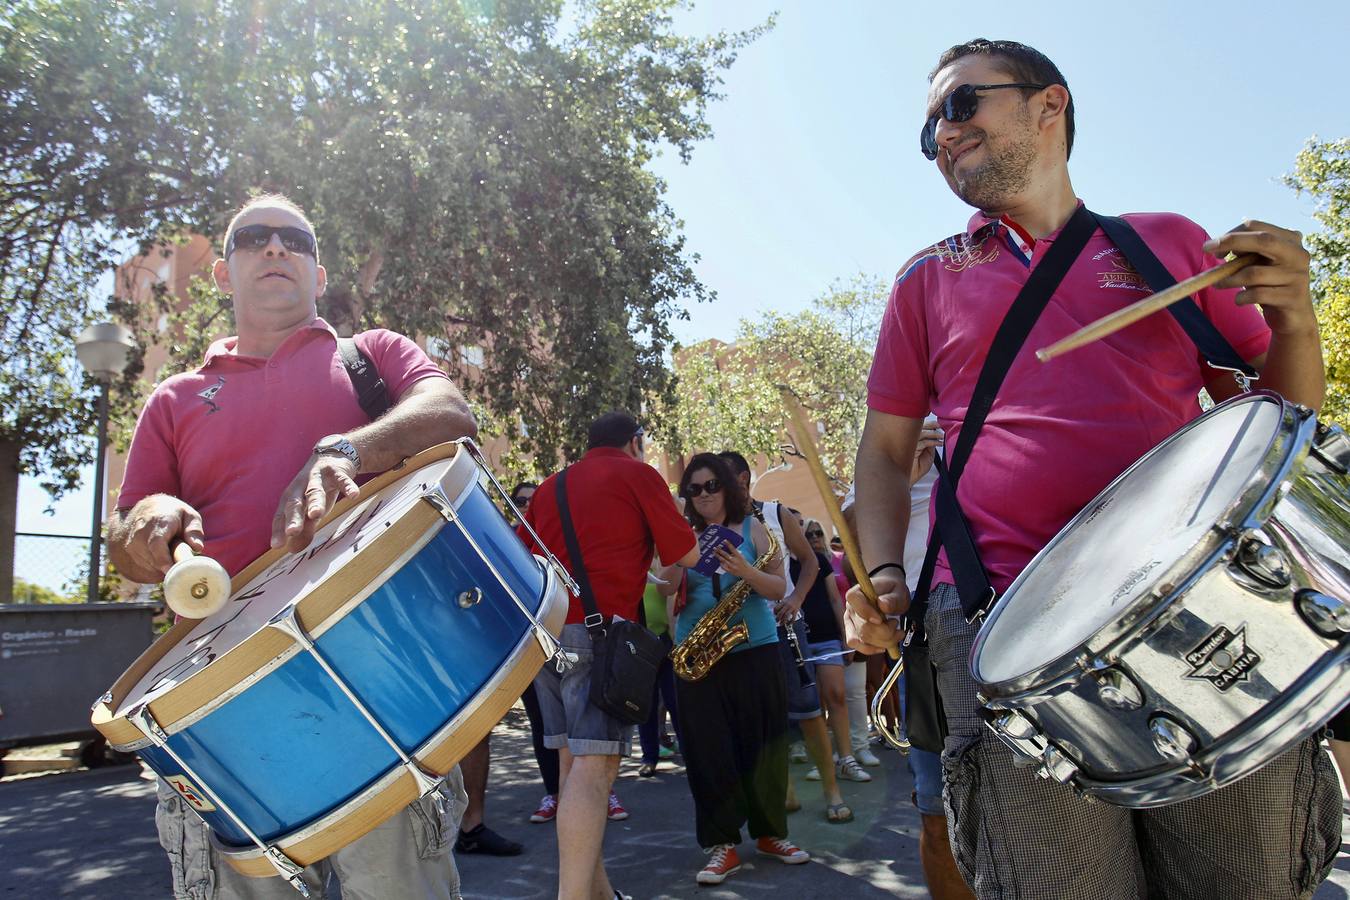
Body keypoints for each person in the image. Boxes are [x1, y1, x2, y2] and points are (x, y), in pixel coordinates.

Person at [845, 39, 1341, 899]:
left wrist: (1296, 322)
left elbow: (1278, 424)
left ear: (1050, 104)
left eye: (960, 106)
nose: (943, 135)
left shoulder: (1169, 247)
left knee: (1245, 884)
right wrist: (884, 571)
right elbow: (886, 455)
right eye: (929, 129)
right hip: (997, 621)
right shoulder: (927, 280)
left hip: (1193, 611)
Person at [108, 194, 473, 900]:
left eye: (294, 240)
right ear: (222, 273)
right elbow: (125, 541)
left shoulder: (374, 356)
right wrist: (150, 521)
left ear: (319, 272)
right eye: (254, 238)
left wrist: (345, 448)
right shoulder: (174, 398)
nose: (276, 249)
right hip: (215, 711)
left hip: (377, 689)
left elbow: (450, 414)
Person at [521, 411, 700, 900]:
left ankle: (598, 893)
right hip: (602, 639)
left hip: (546, 635)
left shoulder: (549, 487)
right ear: (636, 442)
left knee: (571, 765)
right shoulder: (638, 474)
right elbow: (686, 555)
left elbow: (522, 558)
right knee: (595, 768)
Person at [667, 452, 810, 884]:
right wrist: (676, 560)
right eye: (695, 488)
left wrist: (744, 569)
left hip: (756, 647)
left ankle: (771, 834)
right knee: (708, 751)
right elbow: (665, 586)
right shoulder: (683, 534)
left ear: (728, 486)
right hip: (697, 654)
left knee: (764, 744)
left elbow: (778, 586)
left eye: (712, 485)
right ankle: (721, 845)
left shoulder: (755, 529)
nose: (704, 494)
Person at [716, 452, 853, 821]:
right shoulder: (718, 524)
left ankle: (832, 791)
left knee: (809, 713)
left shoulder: (774, 513)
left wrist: (795, 598)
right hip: (742, 632)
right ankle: (786, 790)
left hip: (785, 626)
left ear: (743, 478)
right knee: (764, 718)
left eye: (722, 479)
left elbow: (810, 562)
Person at [797, 517, 872, 786]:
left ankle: (847, 759)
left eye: (817, 532)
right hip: (801, 641)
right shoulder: (783, 563)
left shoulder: (822, 561)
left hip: (828, 638)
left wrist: (844, 638)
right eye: (807, 533)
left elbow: (833, 598)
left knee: (837, 696)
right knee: (816, 705)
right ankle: (824, 760)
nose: (813, 537)